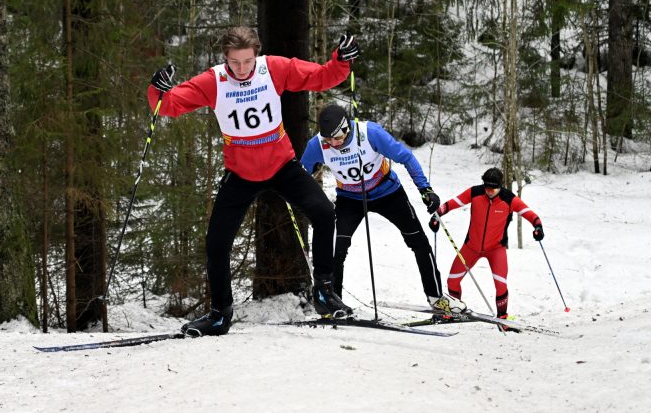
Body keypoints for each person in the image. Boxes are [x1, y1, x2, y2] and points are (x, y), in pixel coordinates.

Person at [148, 27, 361, 336]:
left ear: (257, 55)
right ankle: (220, 314)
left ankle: (325, 293)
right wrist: (159, 89)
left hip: (281, 165)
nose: (243, 69)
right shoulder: (214, 80)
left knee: (325, 212)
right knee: (216, 243)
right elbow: (170, 104)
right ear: (225, 58)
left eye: (248, 61)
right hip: (241, 173)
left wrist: (341, 60)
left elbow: (320, 77)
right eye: (235, 62)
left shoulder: (272, 68)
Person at [300, 105, 467, 314]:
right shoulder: (317, 145)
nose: (333, 144)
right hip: (350, 198)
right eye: (328, 140)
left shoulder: (370, 133)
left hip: (387, 192)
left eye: (337, 138)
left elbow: (406, 157)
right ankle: (334, 300)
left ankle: (436, 297)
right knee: (336, 249)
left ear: (346, 128)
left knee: (419, 242)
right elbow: (301, 173)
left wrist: (425, 189)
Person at [428, 167, 544, 328]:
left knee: (500, 284)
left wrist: (537, 227)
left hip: (496, 249)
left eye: (493, 188)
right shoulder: (475, 192)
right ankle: (454, 312)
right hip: (471, 247)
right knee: (452, 281)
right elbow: (452, 203)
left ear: (500, 186)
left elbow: (530, 214)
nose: (489, 191)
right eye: (486, 187)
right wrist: (437, 215)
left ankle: (502, 318)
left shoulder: (509, 199)